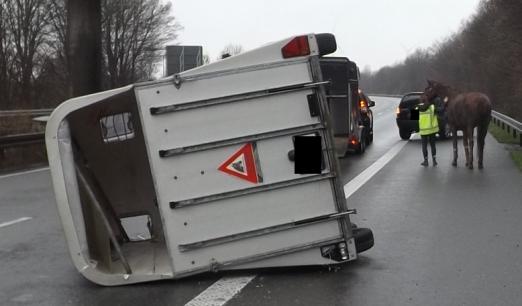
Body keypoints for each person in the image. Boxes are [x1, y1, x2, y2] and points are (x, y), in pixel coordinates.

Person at [417, 96, 441, 166]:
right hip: (432, 130)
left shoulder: (416, 108)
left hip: (423, 131)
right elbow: (440, 110)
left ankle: (426, 161)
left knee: (424, 146)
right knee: (433, 145)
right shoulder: (432, 107)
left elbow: (413, 119)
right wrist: (445, 103)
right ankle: (434, 161)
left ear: (420, 101)